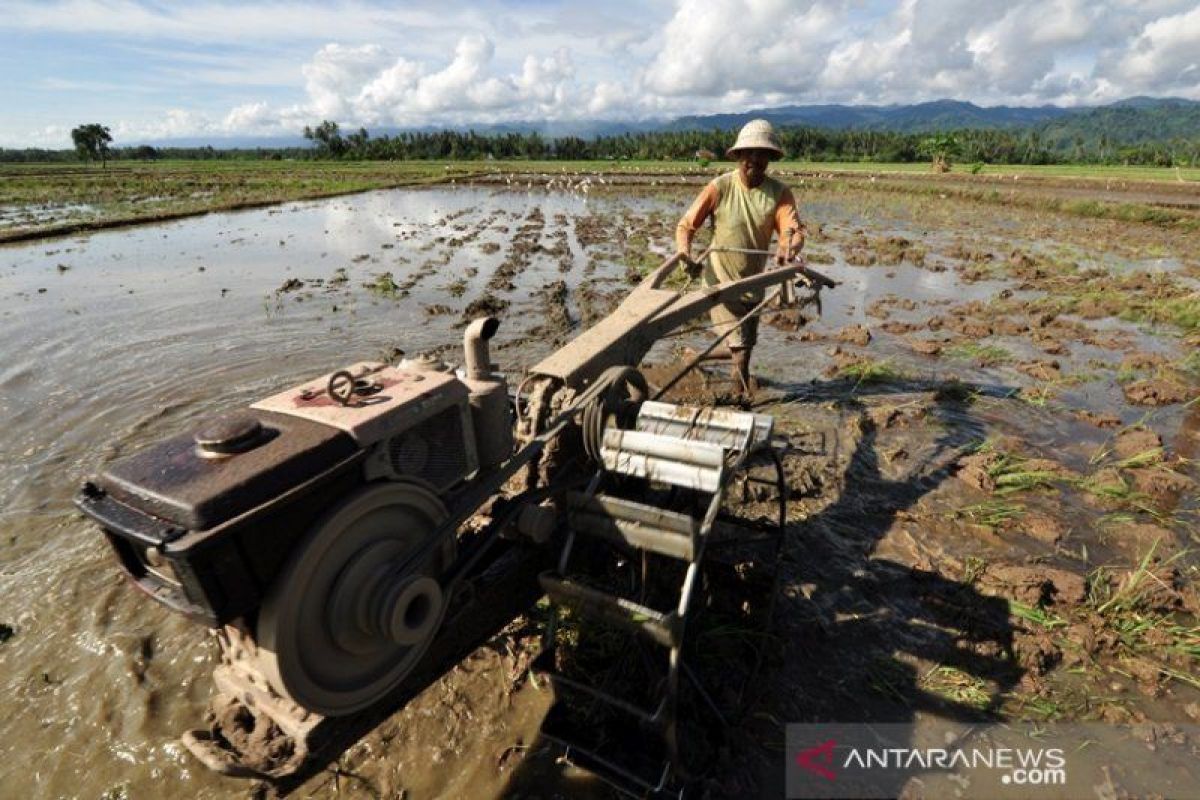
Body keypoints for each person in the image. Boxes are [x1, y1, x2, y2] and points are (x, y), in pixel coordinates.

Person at [675, 119, 805, 395]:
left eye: (762, 155)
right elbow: (686, 225)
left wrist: (788, 248)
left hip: (753, 285)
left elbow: (792, 230)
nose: (755, 160)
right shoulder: (720, 187)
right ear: (738, 156)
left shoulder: (779, 193)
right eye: (749, 154)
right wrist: (684, 253)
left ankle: (695, 357)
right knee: (742, 351)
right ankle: (739, 400)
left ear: (770, 158)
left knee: (743, 342)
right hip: (720, 282)